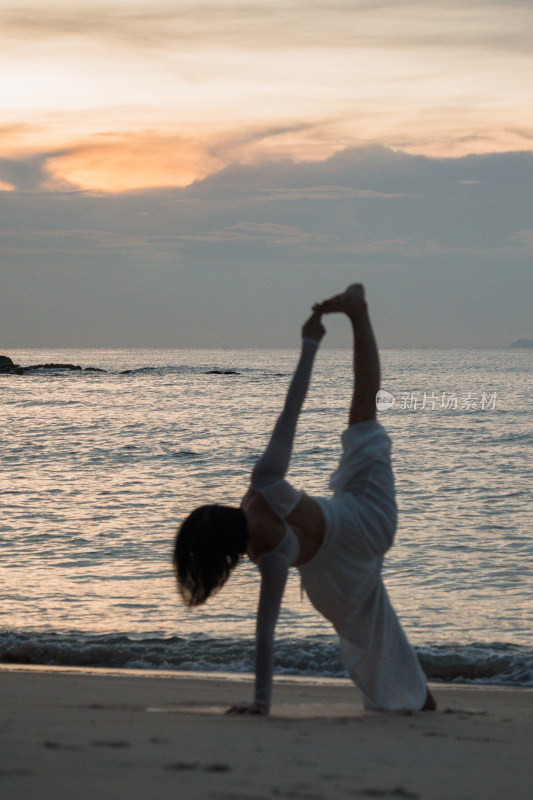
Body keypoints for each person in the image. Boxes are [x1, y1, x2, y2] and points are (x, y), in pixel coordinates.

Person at [174, 284, 436, 715]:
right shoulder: (263, 486)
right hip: (364, 520)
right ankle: (357, 312)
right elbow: (291, 407)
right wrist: (310, 343)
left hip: (334, 582)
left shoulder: (271, 556)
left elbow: (265, 633)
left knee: (375, 635)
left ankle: (419, 699)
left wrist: (261, 704)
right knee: (362, 415)